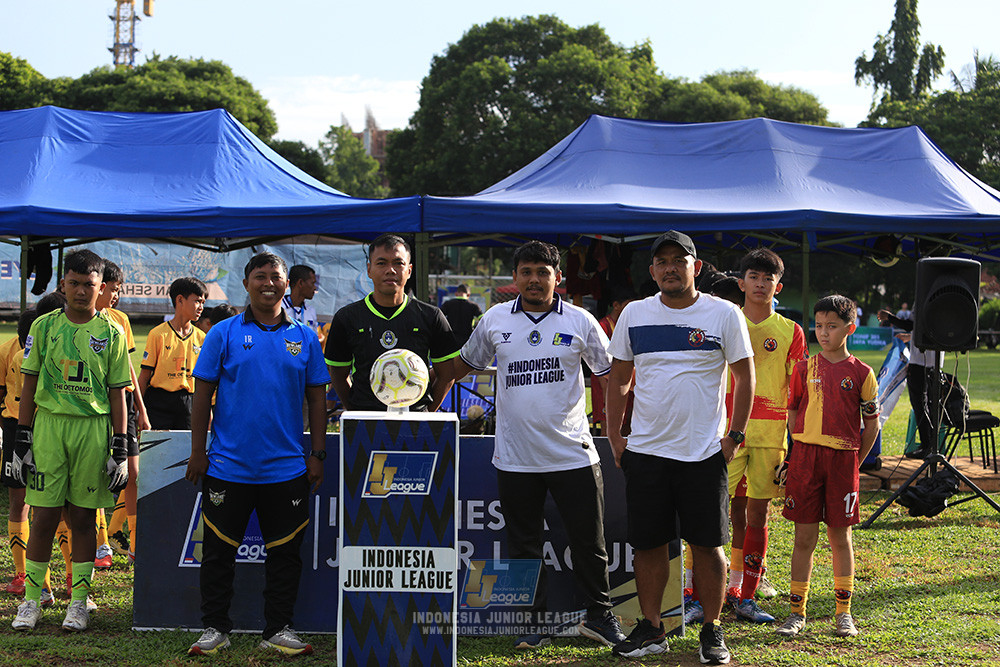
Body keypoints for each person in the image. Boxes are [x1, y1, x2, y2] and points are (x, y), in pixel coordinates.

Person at [454, 240, 625, 650]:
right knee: (523, 546)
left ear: (558, 277)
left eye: (543, 272)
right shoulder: (495, 319)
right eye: (526, 272)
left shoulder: (581, 320)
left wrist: (620, 428)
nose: (534, 279)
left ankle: (599, 617)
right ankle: (533, 623)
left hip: (573, 454)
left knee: (589, 543)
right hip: (516, 458)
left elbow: (611, 375)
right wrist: (422, 386)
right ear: (514, 278)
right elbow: (461, 365)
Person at [605, 231, 754, 664]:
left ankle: (712, 629)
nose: (671, 268)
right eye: (663, 262)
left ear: (696, 267)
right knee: (648, 546)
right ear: (652, 271)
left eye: (679, 260)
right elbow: (620, 379)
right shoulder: (634, 314)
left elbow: (745, 377)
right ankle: (652, 628)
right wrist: (615, 436)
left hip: (703, 454)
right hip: (646, 452)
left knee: (708, 546)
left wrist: (734, 436)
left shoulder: (724, 313)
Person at [185, 252, 328, 656]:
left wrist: (317, 453)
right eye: (260, 276)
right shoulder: (223, 333)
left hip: (286, 469)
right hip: (227, 467)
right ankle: (215, 628)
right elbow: (202, 395)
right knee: (217, 554)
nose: (268, 283)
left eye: (275, 276)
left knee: (285, 555)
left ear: (286, 284)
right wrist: (198, 451)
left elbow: (317, 399)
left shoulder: (304, 337)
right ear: (246, 283)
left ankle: (278, 630)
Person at [12, 249, 131, 632]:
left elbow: (117, 393)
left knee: (82, 517)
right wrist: (22, 438)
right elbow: (29, 383)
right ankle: (31, 601)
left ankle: (78, 602)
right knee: (44, 516)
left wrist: (121, 445)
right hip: (50, 428)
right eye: (74, 284)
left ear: (101, 287)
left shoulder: (112, 332)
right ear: (63, 284)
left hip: (92, 430)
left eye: (89, 285)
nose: (81, 291)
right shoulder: (44, 326)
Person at [776, 295, 879, 639]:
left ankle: (843, 613)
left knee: (840, 537)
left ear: (850, 329)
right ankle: (796, 613)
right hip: (806, 460)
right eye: (819, 325)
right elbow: (792, 411)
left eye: (832, 326)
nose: (823, 332)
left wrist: (854, 462)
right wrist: (800, 448)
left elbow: (872, 425)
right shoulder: (803, 369)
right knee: (803, 538)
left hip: (842, 462)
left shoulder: (862, 373)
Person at [725, 249, 807, 624]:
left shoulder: (791, 331)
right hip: (726, 434)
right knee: (715, 512)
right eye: (753, 277)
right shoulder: (725, 322)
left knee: (757, 514)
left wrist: (797, 444)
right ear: (741, 283)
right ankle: (699, 593)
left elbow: (798, 393)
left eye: (767, 278)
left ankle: (746, 594)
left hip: (770, 436)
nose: (760, 284)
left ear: (778, 286)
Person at [325, 234, 459, 412]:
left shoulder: (431, 316)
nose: (390, 270)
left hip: (416, 421)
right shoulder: (346, 318)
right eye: (381, 263)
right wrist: (357, 411)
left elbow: (447, 375)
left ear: (409, 270)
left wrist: (425, 413)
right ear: (369, 269)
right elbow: (338, 376)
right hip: (365, 422)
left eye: (398, 263)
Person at [97, 261, 151, 567]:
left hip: (125, 401)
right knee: (94, 473)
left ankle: (135, 542)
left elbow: (129, 367)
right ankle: (100, 544)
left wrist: (141, 408)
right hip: (97, 402)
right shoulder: (78, 321)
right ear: (99, 286)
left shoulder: (120, 320)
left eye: (119, 290)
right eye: (113, 289)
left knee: (133, 472)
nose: (116, 296)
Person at [137, 277, 207, 430]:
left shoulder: (202, 338)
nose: (201, 307)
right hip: (159, 403)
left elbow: (204, 382)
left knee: (186, 444)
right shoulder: (158, 334)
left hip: (189, 403)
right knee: (158, 444)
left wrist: (209, 414)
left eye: (203, 302)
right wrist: (138, 410)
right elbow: (144, 376)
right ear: (180, 300)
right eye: (197, 301)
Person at [876, 307, 942, 459]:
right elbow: (925, 327)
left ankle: (927, 446)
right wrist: (911, 336)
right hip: (935, 361)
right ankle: (931, 446)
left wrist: (889, 317)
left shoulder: (922, 297)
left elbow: (911, 324)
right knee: (929, 404)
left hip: (919, 362)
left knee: (920, 404)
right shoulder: (940, 298)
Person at [590, 286, 636, 435]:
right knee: (608, 425)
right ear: (616, 305)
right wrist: (607, 393)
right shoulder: (602, 326)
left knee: (627, 425)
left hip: (625, 381)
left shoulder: (630, 325)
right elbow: (600, 363)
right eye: (629, 305)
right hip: (604, 383)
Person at [282, 264, 321, 334]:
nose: (315, 288)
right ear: (300, 283)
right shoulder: (278, 308)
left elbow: (313, 337)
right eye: (312, 283)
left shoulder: (310, 311)